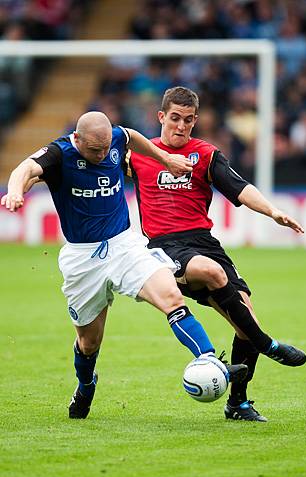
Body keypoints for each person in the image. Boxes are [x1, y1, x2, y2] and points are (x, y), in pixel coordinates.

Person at [1, 111, 248, 420]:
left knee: (171, 296)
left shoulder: (114, 138)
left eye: (106, 149)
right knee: (88, 343)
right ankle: (86, 383)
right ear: (77, 139)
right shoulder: (59, 153)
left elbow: (132, 136)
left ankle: (209, 359)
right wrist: (14, 190)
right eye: (94, 150)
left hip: (124, 246)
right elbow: (25, 168)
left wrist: (165, 160)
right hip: (82, 258)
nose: (102, 155)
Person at [127, 87, 306, 422]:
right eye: (175, 119)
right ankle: (269, 346)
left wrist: (273, 212)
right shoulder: (140, 154)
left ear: (195, 121)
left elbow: (240, 188)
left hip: (204, 242)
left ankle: (237, 403)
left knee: (245, 316)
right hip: (165, 246)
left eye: (188, 120)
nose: (181, 127)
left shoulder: (205, 155)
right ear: (161, 117)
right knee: (211, 272)